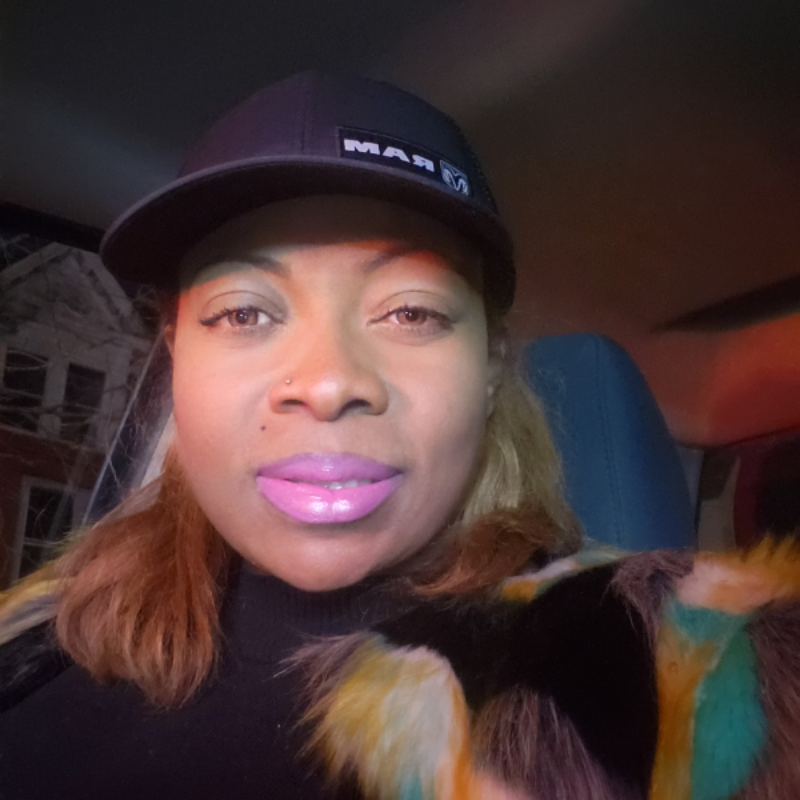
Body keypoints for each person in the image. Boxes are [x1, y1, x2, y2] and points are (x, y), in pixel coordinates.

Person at [0, 71, 799, 800]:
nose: (326, 382)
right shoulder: (34, 643)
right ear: (177, 356)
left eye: (410, 311)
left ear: (489, 366)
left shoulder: (698, 679)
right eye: (243, 312)